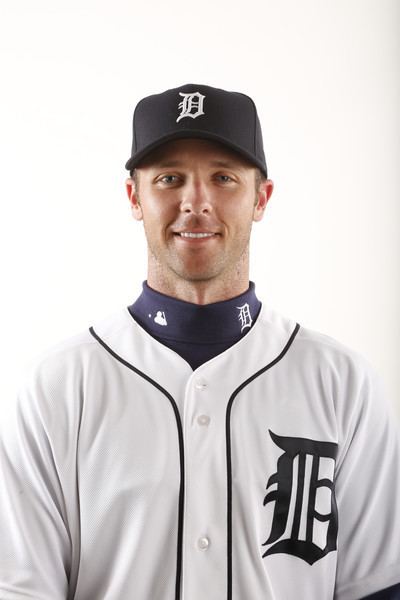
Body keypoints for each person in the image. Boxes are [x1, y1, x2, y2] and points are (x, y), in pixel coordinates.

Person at [1, 83, 400, 600]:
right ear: (133, 197)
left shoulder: (342, 383)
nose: (196, 202)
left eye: (223, 178)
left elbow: (376, 588)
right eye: (169, 178)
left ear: (261, 197)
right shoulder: (56, 389)